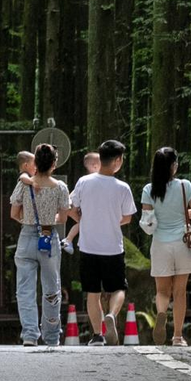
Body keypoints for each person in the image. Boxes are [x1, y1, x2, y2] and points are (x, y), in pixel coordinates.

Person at [67, 138, 136, 345]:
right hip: (113, 247)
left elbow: (70, 206)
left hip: (88, 246)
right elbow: (128, 217)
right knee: (118, 288)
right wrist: (112, 220)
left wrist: (83, 220)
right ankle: (112, 315)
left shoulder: (84, 182)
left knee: (93, 292)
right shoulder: (122, 187)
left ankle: (97, 335)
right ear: (117, 161)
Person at [141, 146, 191, 346]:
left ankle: (161, 313)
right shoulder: (185, 186)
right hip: (182, 243)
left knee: (162, 291)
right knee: (179, 292)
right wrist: (185, 214)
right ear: (173, 166)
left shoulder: (148, 190)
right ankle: (177, 336)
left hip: (160, 243)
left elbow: (148, 219)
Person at [10, 143, 70, 347]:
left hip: (26, 237)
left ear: (35, 162)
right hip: (48, 238)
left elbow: (14, 213)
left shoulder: (24, 184)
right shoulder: (60, 187)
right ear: (54, 164)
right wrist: (46, 220)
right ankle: (52, 336)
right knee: (51, 288)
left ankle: (29, 334)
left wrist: (29, 222)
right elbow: (62, 218)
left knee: (25, 289)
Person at [62, 152, 100, 254]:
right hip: (85, 214)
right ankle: (68, 239)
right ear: (95, 166)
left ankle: (68, 239)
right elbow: (70, 201)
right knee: (81, 224)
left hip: (90, 216)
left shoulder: (85, 181)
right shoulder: (85, 182)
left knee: (81, 224)